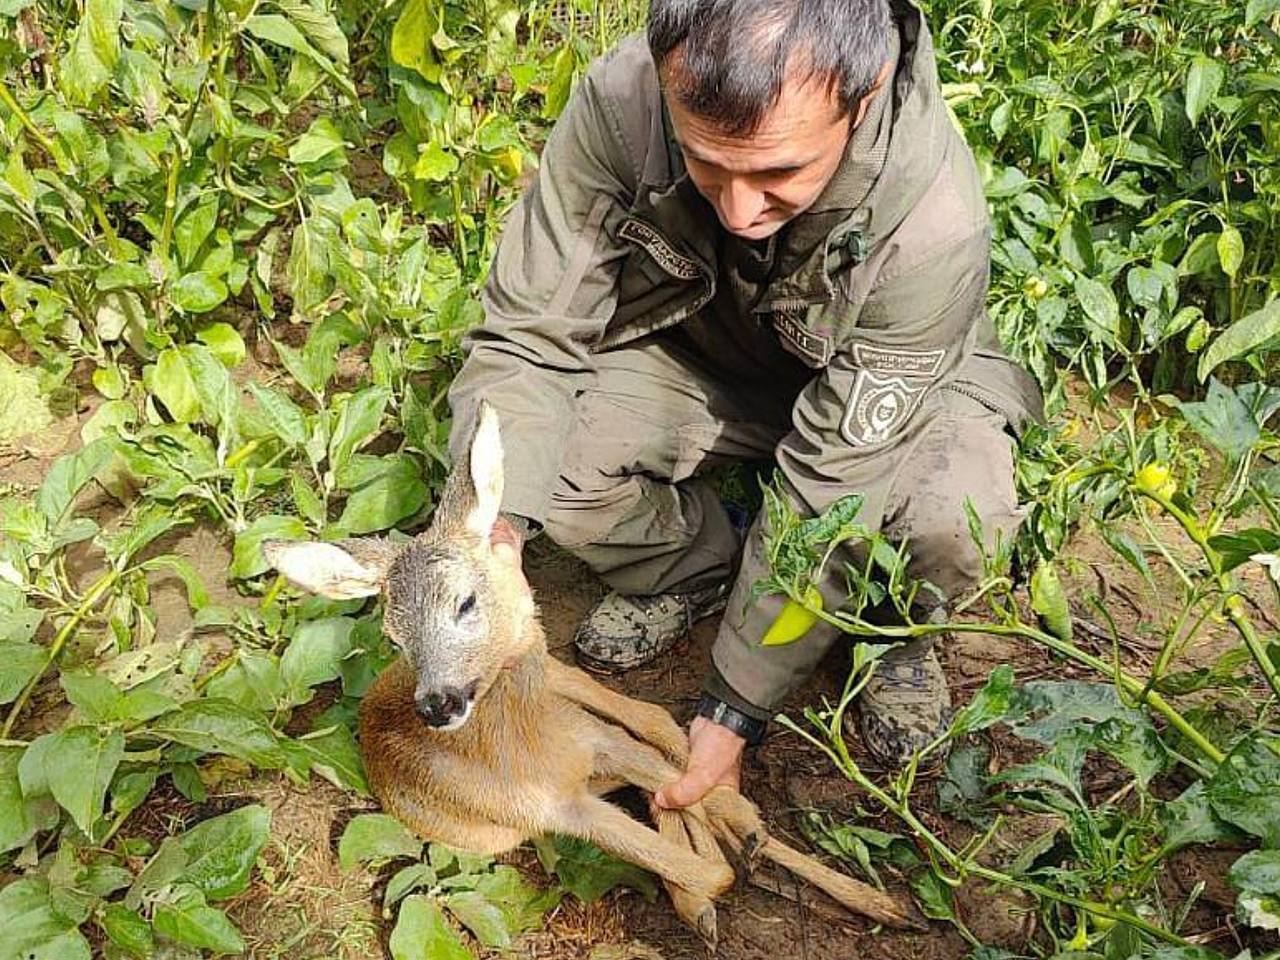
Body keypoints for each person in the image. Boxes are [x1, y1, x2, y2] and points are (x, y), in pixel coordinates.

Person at [447, 0, 1042, 811]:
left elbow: (838, 476)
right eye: (705, 164)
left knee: (952, 517)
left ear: (863, 97)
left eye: (777, 175)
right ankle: (703, 567)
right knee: (533, 470)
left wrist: (733, 706)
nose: (737, 210)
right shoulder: (625, 103)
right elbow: (529, 337)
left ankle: (885, 626)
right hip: (709, 357)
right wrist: (494, 534)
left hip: (893, 393)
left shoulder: (932, 220)